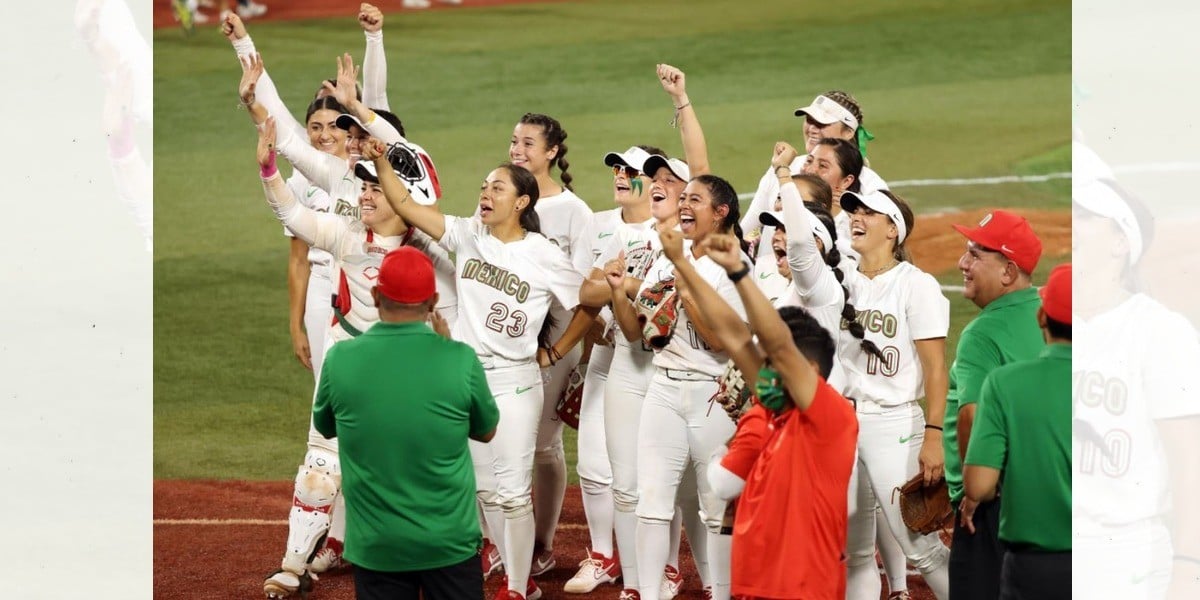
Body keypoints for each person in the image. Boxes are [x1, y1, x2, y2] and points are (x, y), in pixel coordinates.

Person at [367, 140, 590, 600]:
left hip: (513, 383)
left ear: (522, 201)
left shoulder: (542, 253)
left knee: (511, 493)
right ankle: (518, 573)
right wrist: (379, 161)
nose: (485, 193)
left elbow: (589, 303)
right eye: (484, 186)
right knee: (485, 491)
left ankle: (516, 586)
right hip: (466, 379)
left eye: (498, 187)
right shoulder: (468, 235)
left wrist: (555, 351)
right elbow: (406, 204)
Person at [255, 119, 455, 599]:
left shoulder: (433, 258)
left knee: (407, 476)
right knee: (321, 468)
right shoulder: (347, 236)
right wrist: (267, 169)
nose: (363, 195)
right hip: (346, 365)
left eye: (374, 188)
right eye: (362, 186)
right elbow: (295, 216)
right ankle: (293, 563)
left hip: (404, 381)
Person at [670, 228, 857, 600]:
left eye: (774, 365)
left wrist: (740, 273)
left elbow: (777, 343)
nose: (762, 373)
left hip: (803, 590)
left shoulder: (830, 416)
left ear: (807, 369)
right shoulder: (774, 411)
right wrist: (681, 264)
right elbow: (738, 339)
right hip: (754, 587)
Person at [311, 246, 498, 600]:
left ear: (376, 295)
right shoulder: (460, 359)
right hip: (449, 543)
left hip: (377, 546)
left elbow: (326, 426)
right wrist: (447, 351)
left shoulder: (339, 361)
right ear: (433, 302)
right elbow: (486, 430)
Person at [615, 174, 748, 600]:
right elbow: (637, 333)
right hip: (664, 388)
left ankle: (723, 592)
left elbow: (718, 339)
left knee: (715, 509)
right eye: (683, 197)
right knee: (650, 505)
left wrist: (682, 276)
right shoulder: (665, 257)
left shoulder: (732, 263)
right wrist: (620, 293)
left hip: (713, 396)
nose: (685, 204)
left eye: (696, 199)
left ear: (721, 212)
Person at [1070, 178, 1200, 599]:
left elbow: (1189, 465)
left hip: (1126, 558)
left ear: (1120, 243)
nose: (1070, 222)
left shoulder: (1160, 331)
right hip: (1047, 545)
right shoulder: (1048, 322)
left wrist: (1188, 567)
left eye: (1086, 216)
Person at [586, 152, 700, 600]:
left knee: (688, 494)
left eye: (670, 180)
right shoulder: (637, 246)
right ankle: (636, 585)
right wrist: (619, 291)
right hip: (629, 367)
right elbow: (630, 326)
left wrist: (630, 287)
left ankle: (697, 579)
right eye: (654, 177)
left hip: (677, 377)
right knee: (627, 486)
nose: (656, 183)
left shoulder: (698, 248)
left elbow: (666, 317)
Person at [837, 189, 951, 600]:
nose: (857, 217)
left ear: (893, 230)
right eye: (854, 211)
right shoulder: (840, 280)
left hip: (893, 423)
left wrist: (934, 435)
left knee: (920, 546)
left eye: (870, 212)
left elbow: (937, 368)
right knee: (855, 549)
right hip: (842, 424)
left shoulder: (915, 285)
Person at [506, 113, 594, 578]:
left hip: (554, 344)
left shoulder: (574, 212)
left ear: (551, 152)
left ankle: (541, 542)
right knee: (496, 441)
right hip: (506, 341)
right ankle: (498, 541)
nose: (517, 149)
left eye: (528, 143)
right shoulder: (504, 195)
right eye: (514, 141)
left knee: (542, 444)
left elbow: (581, 294)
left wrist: (558, 351)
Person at [941, 210, 1045, 599]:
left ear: (1007, 272)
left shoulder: (982, 334)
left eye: (975, 255)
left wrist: (973, 492)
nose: (962, 264)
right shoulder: (1048, 316)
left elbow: (972, 415)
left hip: (991, 504)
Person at [961, 263, 1072, 600]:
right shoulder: (1123, 382)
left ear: (1042, 317)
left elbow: (979, 485)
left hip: (1035, 568)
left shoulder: (1006, 383)